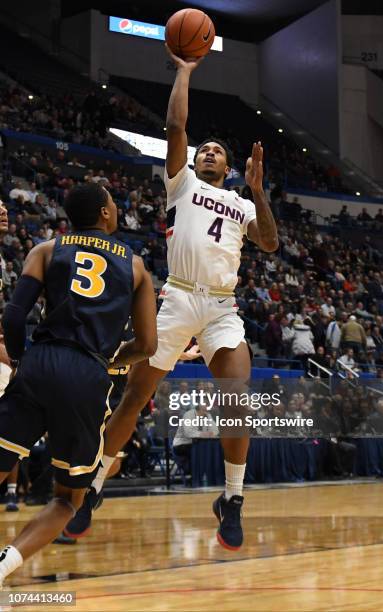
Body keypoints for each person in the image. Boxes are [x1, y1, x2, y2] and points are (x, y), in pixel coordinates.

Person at [66, 47, 279, 551]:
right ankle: (93, 489)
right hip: (179, 299)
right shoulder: (180, 183)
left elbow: (269, 242)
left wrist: (259, 190)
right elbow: (176, 128)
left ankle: (231, 499)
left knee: (237, 401)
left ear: (228, 167)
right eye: (204, 148)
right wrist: (183, 72)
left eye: (216, 151)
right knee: (135, 398)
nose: (208, 152)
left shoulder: (243, 202)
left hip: (222, 308)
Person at [0, 182, 157, 585]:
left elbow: (14, 318)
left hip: (41, 362)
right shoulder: (136, 266)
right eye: (112, 203)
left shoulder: (47, 249)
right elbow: (147, 345)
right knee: (68, 500)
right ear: (105, 213)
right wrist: (110, 360)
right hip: (88, 374)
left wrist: (20, 361)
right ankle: (4, 566)